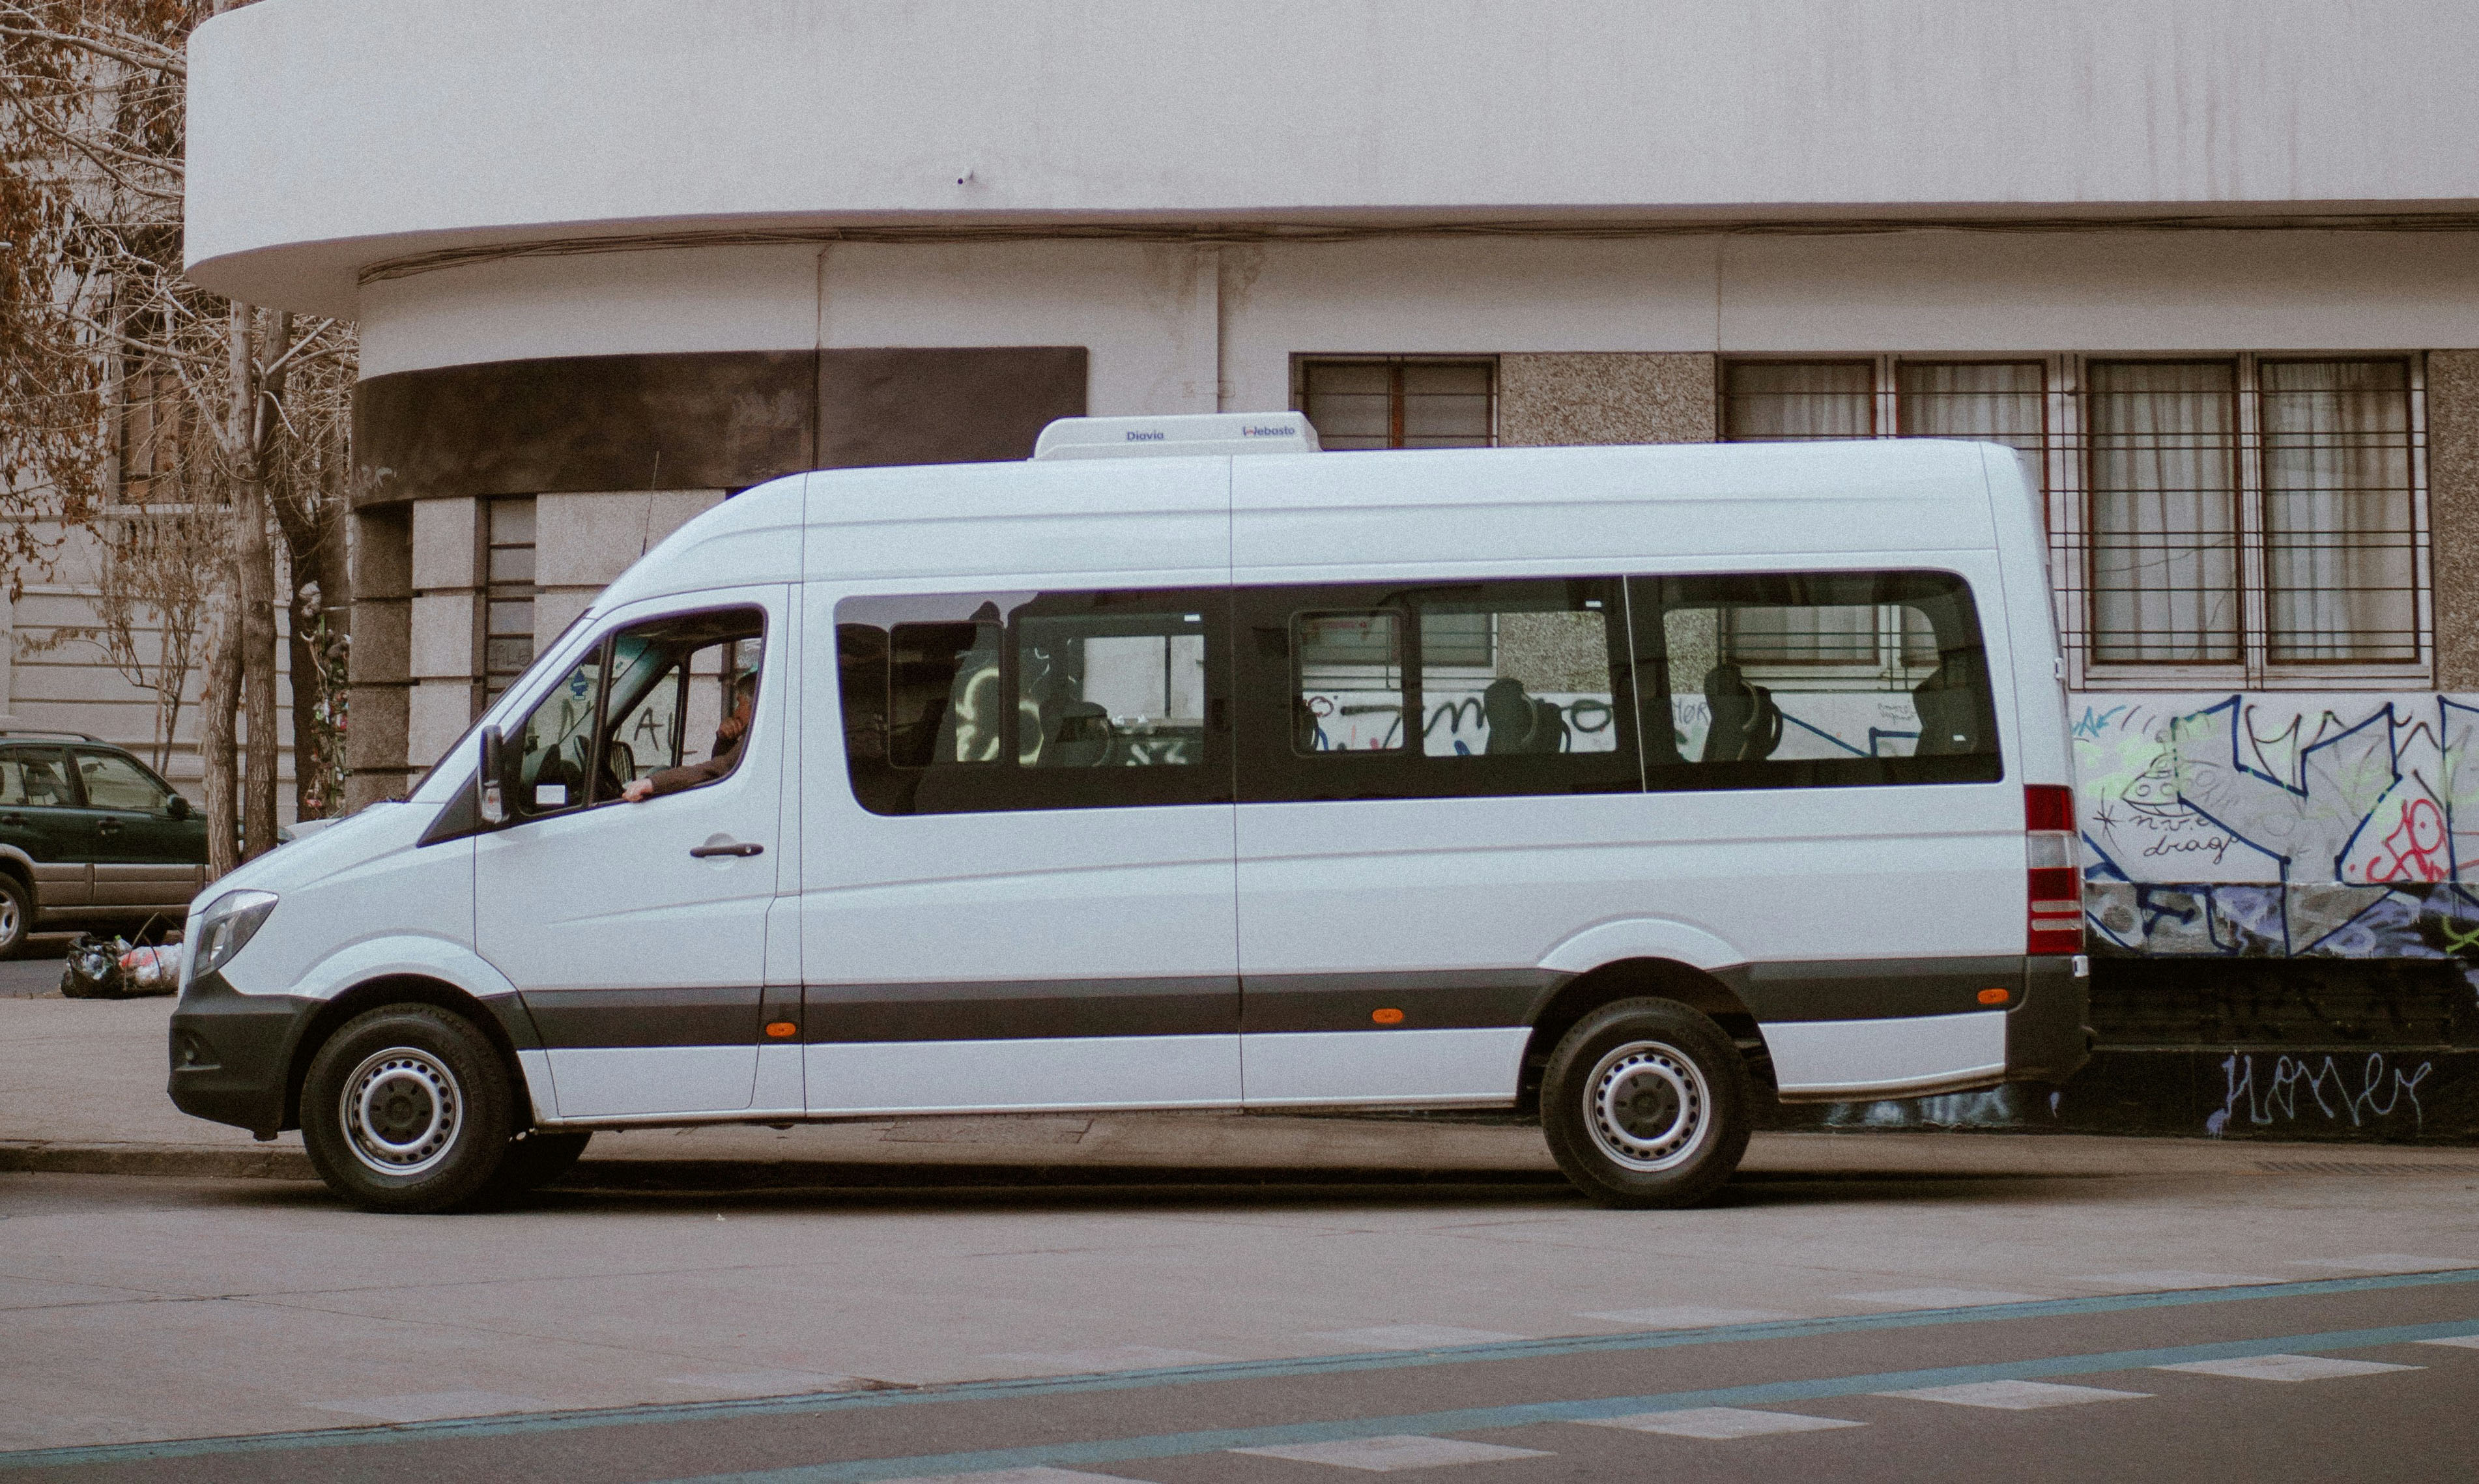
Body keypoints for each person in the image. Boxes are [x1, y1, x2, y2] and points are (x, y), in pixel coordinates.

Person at [622, 670, 755, 801]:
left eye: (740, 704)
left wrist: (653, 783)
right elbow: (721, 770)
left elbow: (715, 770)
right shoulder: (750, 739)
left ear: (754, 705)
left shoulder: (756, 742)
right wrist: (725, 739)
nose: (736, 712)